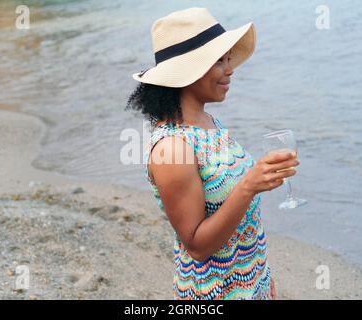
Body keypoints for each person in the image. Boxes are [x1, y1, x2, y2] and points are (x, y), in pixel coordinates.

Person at [126, 7, 299, 300]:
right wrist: (248, 185)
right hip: (213, 293)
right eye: (219, 61)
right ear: (188, 70)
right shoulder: (172, 148)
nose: (230, 69)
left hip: (250, 280)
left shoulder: (208, 123)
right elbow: (197, 245)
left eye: (228, 59)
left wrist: (262, 277)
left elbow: (230, 205)